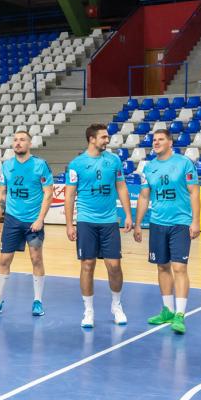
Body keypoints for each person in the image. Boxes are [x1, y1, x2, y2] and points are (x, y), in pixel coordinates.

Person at [66, 123, 134, 328]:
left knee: (114, 266)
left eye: (107, 136)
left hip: (109, 221)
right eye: (103, 137)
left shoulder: (114, 161)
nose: (107, 140)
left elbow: (121, 187)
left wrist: (128, 214)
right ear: (92, 139)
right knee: (87, 265)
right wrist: (69, 224)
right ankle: (88, 311)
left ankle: (116, 305)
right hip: (86, 221)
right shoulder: (76, 164)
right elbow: (70, 196)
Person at [0, 130, 55, 317]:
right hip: (12, 220)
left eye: (22, 140)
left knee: (36, 259)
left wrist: (40, 219)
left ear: (30, 143)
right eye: (15, 140)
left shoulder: (40, 165)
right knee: (4, 260)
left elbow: (48, 193)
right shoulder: (7, 166)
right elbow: (2, 193)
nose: (18, 143)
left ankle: (38, 301)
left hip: (33, 221)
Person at [133, 128, 200, 334]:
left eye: (160, 139)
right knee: (162, 267)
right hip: (157, 223)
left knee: (179, 268)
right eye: (154, 140)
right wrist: (138, 223)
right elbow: (144, 196)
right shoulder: (149, 167)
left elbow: (194, 192)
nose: (156, 142)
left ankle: (179, 314)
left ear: (170, 142)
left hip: (180, 222)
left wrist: (195, 221)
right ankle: (167, 310)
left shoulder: (184, 163)